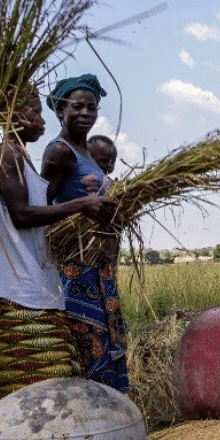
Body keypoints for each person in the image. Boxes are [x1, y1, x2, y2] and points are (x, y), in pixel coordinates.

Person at [0, 93, 118, 398]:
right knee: (35, 392)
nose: (42, 121)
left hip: (36, 287)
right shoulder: (6, 155)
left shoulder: (20, 156)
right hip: (17, 290)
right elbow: (22, 215)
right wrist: (81, 204)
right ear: (11, 115)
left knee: (53, 386)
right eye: (35, 114)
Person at [40, 74, 130, 392]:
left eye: (91, 107)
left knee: (105, 340)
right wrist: (83, 207)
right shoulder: (59, 151)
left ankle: (111, 418)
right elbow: (42, 207)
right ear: (61, 109)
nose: (85, 113)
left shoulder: (89, 155)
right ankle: (92, 418)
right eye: (77, 106)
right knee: (87, 341)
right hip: (75, 268)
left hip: (97, 265)